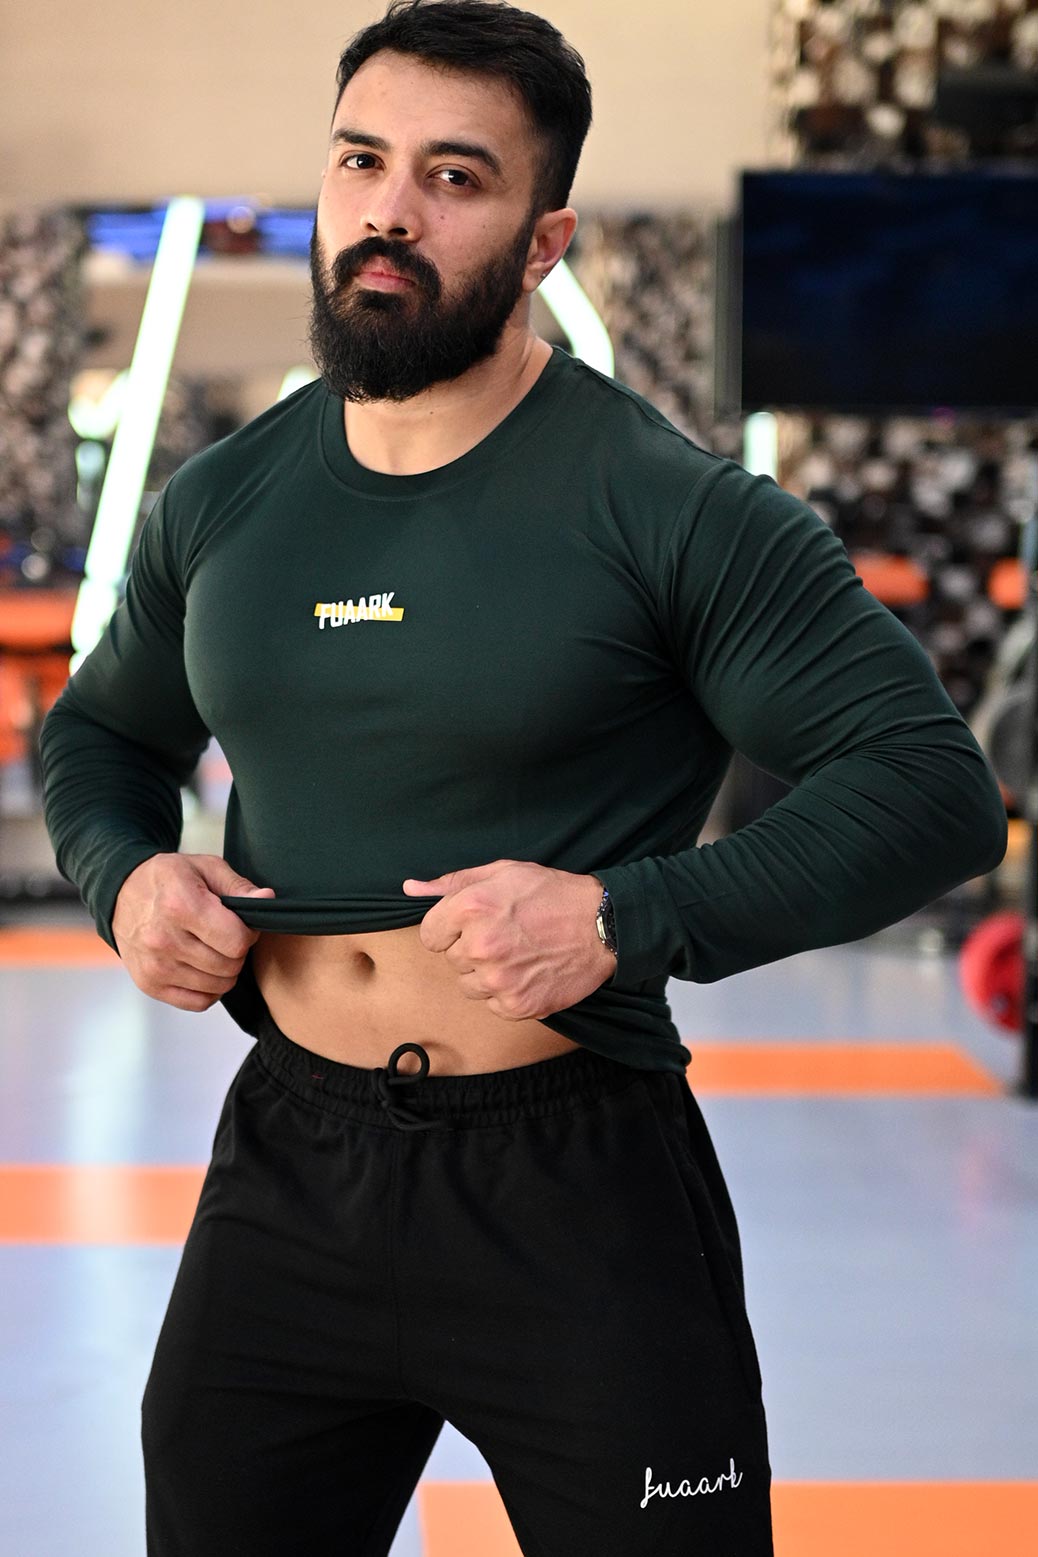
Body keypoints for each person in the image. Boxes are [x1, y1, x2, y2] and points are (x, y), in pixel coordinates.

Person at [39, 2, 1008, 1553]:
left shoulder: (672, 507)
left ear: (543, 238)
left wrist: (629, 915)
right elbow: (99, 734)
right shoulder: (222, 502)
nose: (388, 211)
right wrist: (125, 872)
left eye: (454, 177)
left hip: (575, 1179)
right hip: (288, 1165)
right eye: (360, 161)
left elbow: (927, 786)